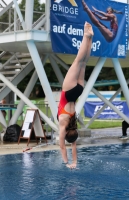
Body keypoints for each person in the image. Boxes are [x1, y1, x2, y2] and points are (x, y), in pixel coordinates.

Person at [57, 22, 93, 169]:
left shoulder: (73, 124)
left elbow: (73, 146)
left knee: (84, 63)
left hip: (78, 91)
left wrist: (75, 162)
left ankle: (90, 38)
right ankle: (86, 36)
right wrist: (67, 164)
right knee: (78, 61)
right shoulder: (63, 126)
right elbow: (63, 147)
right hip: (68, 91)